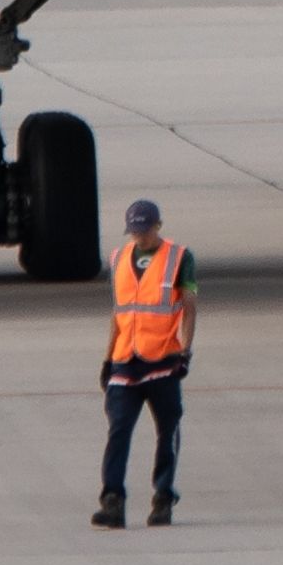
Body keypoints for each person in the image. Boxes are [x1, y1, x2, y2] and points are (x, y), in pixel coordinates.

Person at [92, 197, 190, 528]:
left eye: (144, 231)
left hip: (162, 359)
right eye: (134, 232)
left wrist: (185, 351)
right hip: (125, 359)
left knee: (167, 429)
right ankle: (112, 500)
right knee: (118, 430)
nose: (139, 238)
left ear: (157, 227)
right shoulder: (119, 259)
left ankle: (163, 497)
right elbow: (119, 313)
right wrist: (108, 358)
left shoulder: (178, 258)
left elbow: (189, 307)